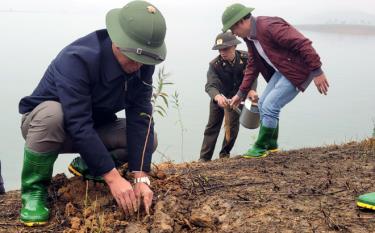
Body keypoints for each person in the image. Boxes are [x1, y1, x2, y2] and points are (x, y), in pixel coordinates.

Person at [18, 0, 166, 226]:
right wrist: (113, 178)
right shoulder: (77, 59)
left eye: (145, 59)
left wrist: (140, 175)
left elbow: (141, 116)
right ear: (117, 42)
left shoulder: (143, 62)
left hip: (94, 128)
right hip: (46, 127)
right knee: (53, 114)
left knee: (149, 138)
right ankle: (34, 190)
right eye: (134, 58)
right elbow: (78, 123)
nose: (139, 66)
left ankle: (89, 165)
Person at [221, 3, 329, 158]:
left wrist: (317, 71)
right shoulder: (250, 37)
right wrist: (241, 93)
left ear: (241, 22)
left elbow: (302, 43)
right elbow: (253, 64)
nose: (234, 34)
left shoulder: (269, 27)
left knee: (271, 105)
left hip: (298, 71)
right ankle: (271, 145)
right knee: (264, 103)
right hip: (283, 70)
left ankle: (260, 146)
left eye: (233, 29)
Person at [199, 32, 258, 162]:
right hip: (220, 99)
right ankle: (204, 159)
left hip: (238, 98)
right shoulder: (214, 64)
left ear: (234, 47)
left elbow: (252, 75)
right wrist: (217, 97)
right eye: (220, 50)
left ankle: (224, 155)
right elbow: (210, 85)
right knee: (212, 127)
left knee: (232, 127)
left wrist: (251, 90)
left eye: (225, 49)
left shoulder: (246, 58)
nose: (222, 52)